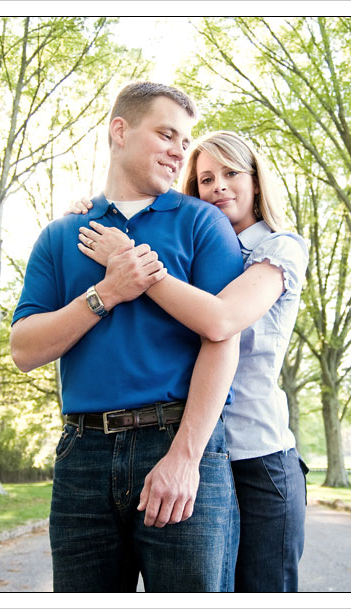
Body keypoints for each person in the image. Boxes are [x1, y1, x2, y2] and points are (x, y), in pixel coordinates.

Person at [10, 83, 244, 592]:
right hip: (82, 454)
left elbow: (223, 338)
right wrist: (107, 292)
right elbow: (24, 350)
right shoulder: (60, 234)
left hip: (181, 442)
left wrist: (185, 458)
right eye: (166, 134)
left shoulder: (203, 222)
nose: (180, 151)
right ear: (120, 130)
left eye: (185, 140)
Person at [68, 130, 309, 592]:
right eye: (204, 179)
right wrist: (91, 214)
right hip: (198, 452)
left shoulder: (278, 249)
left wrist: (130, 263)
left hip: (255, 455)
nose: (218, 186)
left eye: (232, 173)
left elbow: (221, 321)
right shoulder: (192, 244)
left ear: (256, 181)